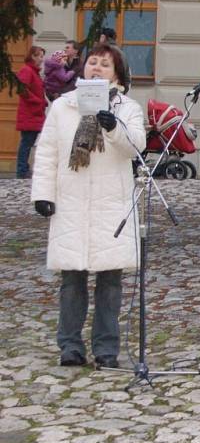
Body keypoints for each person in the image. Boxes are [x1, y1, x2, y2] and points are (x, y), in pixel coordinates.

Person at [31, 43, 146, 369]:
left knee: (110, 285)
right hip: (72, 203)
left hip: (111, 206)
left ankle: (106, 349)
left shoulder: (128, 108)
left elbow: (136, 147)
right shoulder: (63, 106)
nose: (96, 68)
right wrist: (43, 194)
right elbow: (48, 151)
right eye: (92, 62)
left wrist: (113, 128)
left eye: (105, 65)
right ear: (82, 69)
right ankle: (70, 346)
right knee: (72, 283)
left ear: (118, 74)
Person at [14, 45, 47, 179]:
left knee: (29, 142)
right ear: (32, 56)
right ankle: (22, 170)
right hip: (29, 113)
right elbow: (22, 90)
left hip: (35, 113)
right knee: (26, 143)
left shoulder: (34, 72)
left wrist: (43, 102)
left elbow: (36, 90)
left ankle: (24, 169)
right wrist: (38, 101)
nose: (41, 59)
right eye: (39, 56)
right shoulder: (27, 70)